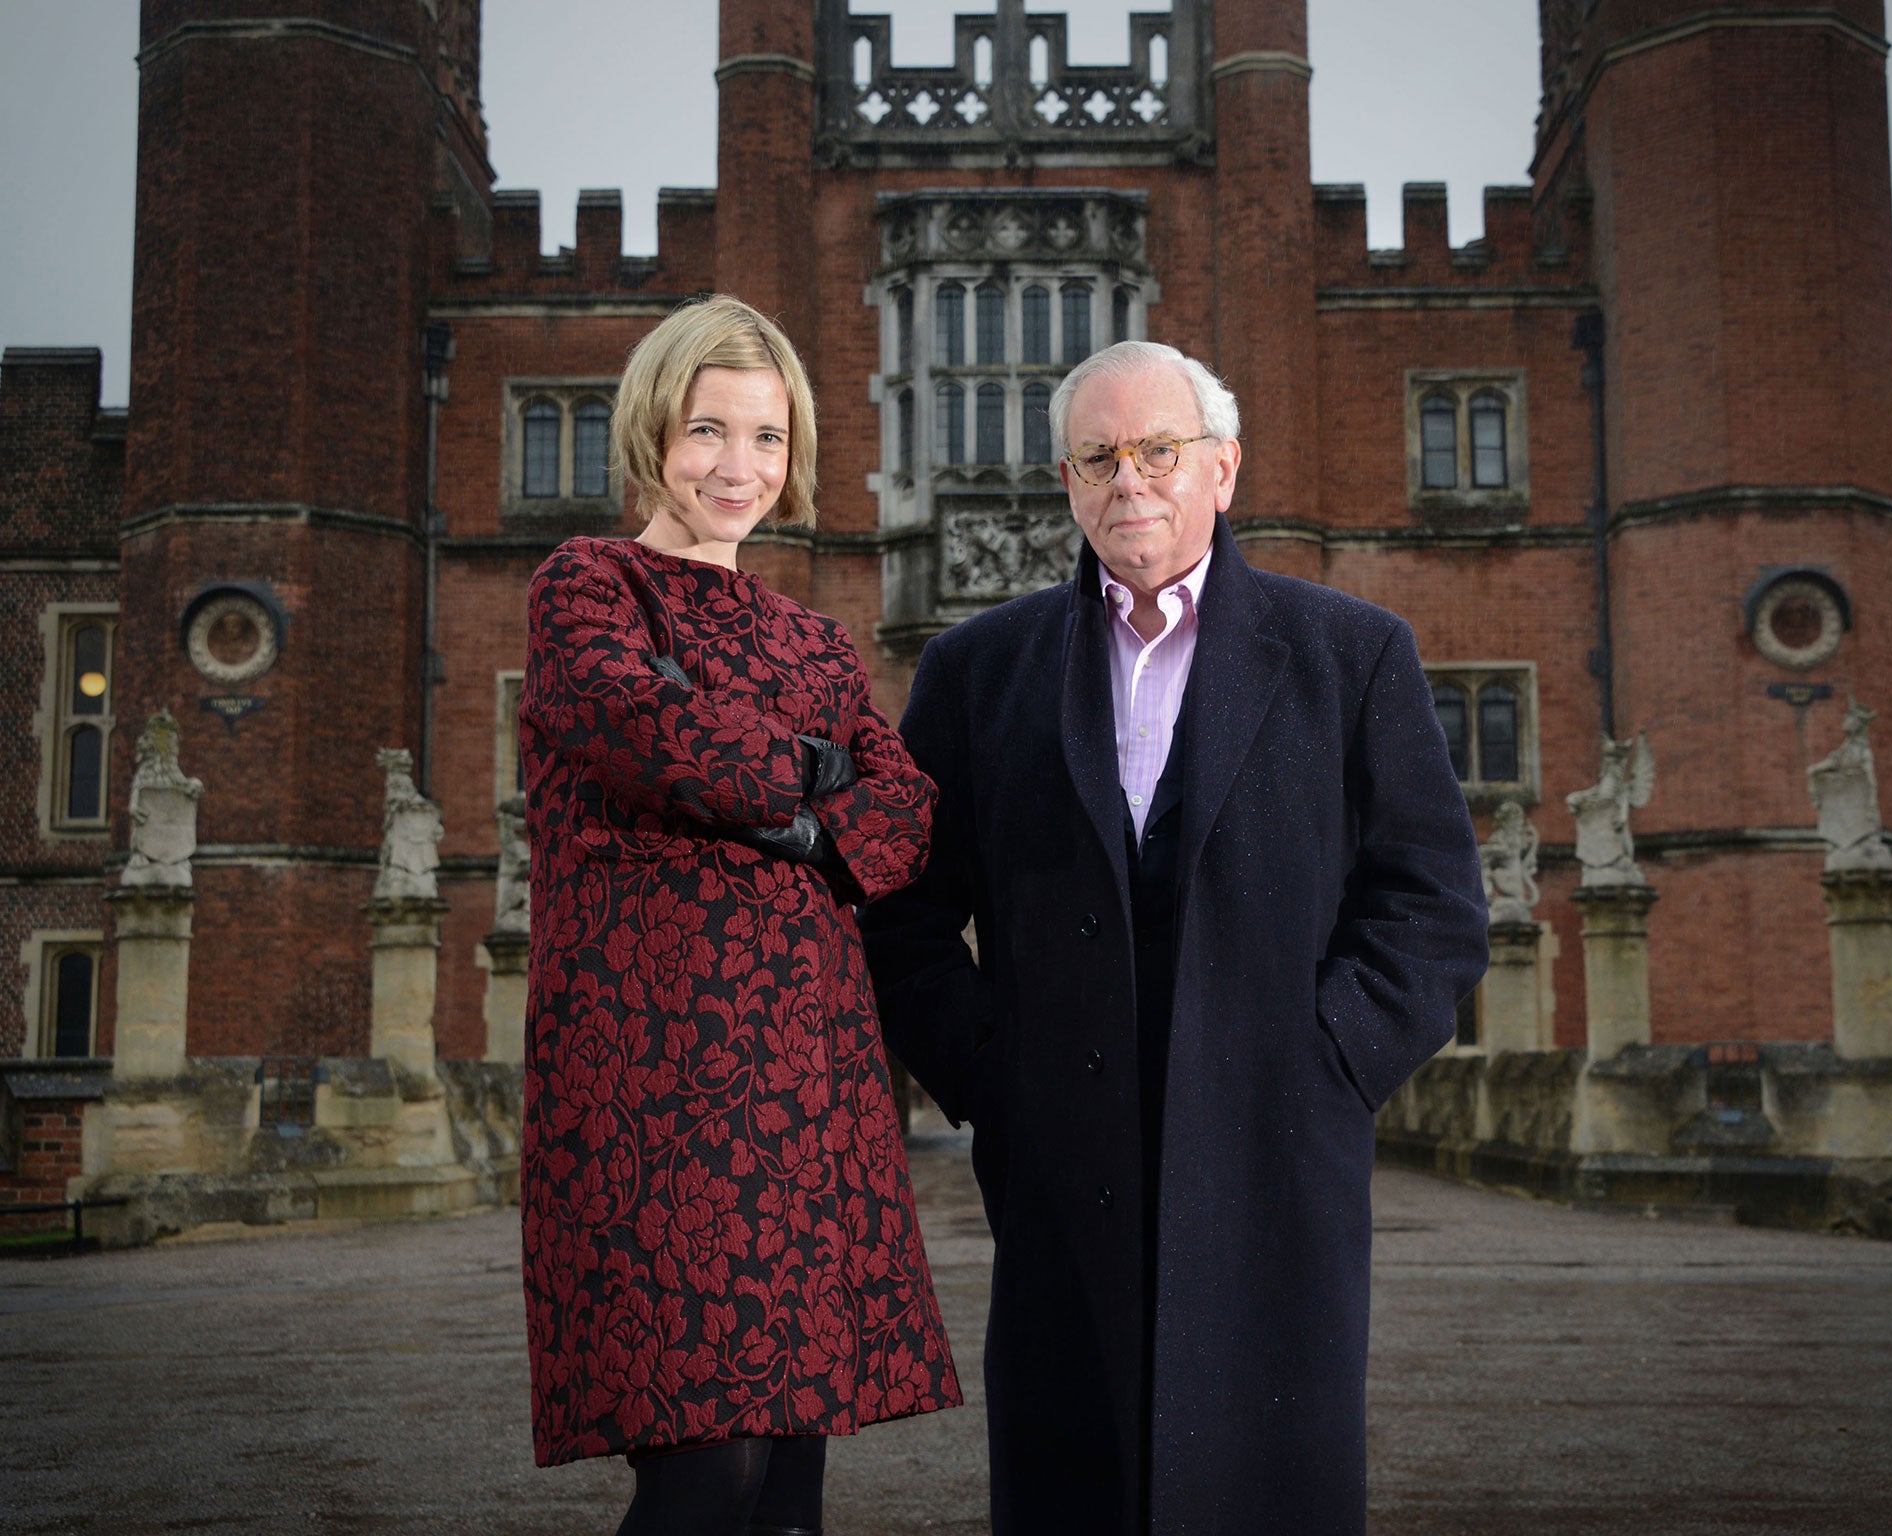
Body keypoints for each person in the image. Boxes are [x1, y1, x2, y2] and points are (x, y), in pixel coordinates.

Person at [860, 339, 1489, 1534]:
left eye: (1158, 450)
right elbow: (902, 913)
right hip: (1058, 1167)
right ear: (1066, 481)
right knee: (1071, 1490)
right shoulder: (974, 670)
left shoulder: (1349, 656)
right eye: (1097, 456)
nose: (1128, 480)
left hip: (1273, 1164)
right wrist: (996, 1077)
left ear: (1222, 470)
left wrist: (1326, 1067)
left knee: (1266, 1488)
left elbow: (1432, 905)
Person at [520, 295, 960, 1536]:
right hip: (647, 1080)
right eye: (707, 430)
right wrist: (811, 780)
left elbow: (907, 806)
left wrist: (800, 817)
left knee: (787, 1490)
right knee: (704, 1474)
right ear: (653, 430)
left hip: (806, 1085)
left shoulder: (814, 640)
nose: (736, 466)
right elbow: (639, 726)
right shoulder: (589, 586)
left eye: (766, 438)